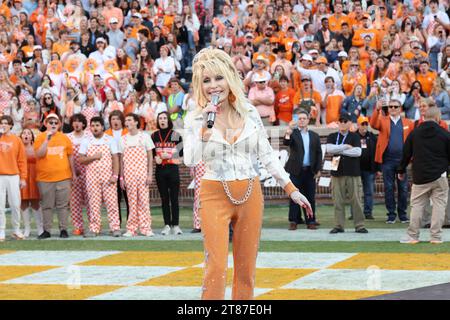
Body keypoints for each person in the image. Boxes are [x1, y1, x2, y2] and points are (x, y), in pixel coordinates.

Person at [184, 48, 312, 300]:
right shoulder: (196, 117)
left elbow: (266, 156)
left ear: (230, 77)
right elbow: (190, 158)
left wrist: (292, 190)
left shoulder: (250, 112)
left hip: (251, 194)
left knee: (246, 268)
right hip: (213, 193)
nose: (213, 86)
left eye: (218, 78)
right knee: (216, 267)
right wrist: (203, 132)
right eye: (206, 80)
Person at [397, 107, 450, 244]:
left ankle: (413, 236)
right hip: (440, 175)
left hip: (420, 176)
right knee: (439, 206)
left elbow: (406, 153)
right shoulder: (444, 134)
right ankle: (436, 237)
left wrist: (401, 170)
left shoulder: (415, 133)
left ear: (424, 117)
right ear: (438, 117)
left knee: (417, 206)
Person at [370, 99, 414, 224]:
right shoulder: (383, 120)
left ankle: (403, 214)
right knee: (389, 188)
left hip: (402, 161)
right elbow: (373, 124)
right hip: (387, 160)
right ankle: (391, 214)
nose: (393, 108)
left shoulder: (408, 123)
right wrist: (377, 109)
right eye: (391, 106)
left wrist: (411, 157)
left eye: (396, 106)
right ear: (388, 108)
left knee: (403, 188)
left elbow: (411, 141)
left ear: (400, 108)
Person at [326, 112, 368, 234]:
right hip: (336, 171)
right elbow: (329, 149)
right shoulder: (332, 136)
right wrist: (345, 146)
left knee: (356, 200)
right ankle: (339, 225)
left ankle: (359, 225)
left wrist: (339, 149)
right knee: (337, 200)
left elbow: (358, 152)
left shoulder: (354, 136)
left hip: (353, 172)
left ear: (350, 123)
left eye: (345, 121)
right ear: (338, 123)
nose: (343, 123)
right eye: (341, 121)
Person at [34, 114, 75, 239]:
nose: (53, 124)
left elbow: (70, 156)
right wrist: (47, 139)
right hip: (45, 178)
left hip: (63, 177)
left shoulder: (65, 138)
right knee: (47, 205)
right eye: (50, 122)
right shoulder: (40, 137)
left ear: (59, 124)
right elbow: (39, 154)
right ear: (45, 124)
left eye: (55, 122)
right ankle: (47, 230)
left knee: (63, 205)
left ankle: (63, 229)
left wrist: (73, 173)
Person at [79, 117, 121, 238]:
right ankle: (94, 228)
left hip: (108, 176)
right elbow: (81, 159)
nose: (95, 128)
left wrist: (115, 175)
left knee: (112, 203)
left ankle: (115, 228)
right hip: (92, 177)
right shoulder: (86, 141)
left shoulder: (110, 140)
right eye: (92, 126)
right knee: (93, 204)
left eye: (97, 125)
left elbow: (115, 158)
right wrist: (94, 157)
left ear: (102, 126)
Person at [284, 109, 322, 230]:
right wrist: (288, 132)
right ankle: (294, 220)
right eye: (299, 118)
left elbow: (318, 153)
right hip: (296, 171)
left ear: (308, 120)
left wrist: (318, 169)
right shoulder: (293, 133)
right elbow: (286, 142)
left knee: (310, 197)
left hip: (309, 171)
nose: (301, 120)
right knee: (294, 196)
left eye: (303, 118)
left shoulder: (314, 136)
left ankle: (310, 220)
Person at [119, 113, 155, 237]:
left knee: (144, 202)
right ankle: (131, 229)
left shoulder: (145, 137)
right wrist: (121, 177)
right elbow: (121, 160)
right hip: (129, 175)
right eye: (126, 120)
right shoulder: (123, 139)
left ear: (136, 122)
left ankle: (146, 228)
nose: (127, 122)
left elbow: (150, 157)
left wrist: (150, 174)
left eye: (129, 120)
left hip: (142, 174)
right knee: (132, 202)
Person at [151, 112, 183, 236]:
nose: (162, 120)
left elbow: (181, 153)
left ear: (168, 120)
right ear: (158, 121)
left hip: (173, 168)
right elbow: (152, 152)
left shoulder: (175, 135)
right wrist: (155, 158)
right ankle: (166, 225)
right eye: (160, 118)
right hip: (160, 170)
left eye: (164, 118)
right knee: (164, 199)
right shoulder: (154, 135)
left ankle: (176, 225)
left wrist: (168, 155)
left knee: (174, 198)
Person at [0, 115, 27, 241]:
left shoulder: (17, 140)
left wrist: (23, 178)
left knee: (15, 204)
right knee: (0, 205)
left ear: (11, 125)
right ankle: (1, 230)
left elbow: (22, 160)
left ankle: (16, 230)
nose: (3, 125)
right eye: (2, 123)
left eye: (6, 123)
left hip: (13, 176)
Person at [66, 114, 91, 236]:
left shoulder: (89, 136)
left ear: (83, 124)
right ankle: (78, 226)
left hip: (89, 172)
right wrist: (72, 171)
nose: (76, 124)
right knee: (75, 202)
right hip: (73, 172)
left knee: (91, 200)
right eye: (74, 121)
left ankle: (94, 225)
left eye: (79, 121)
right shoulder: (67, 137)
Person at [105, 110, 129, 224]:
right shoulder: (106, 134)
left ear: (122, 121)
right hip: (112, 169)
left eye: (118, 119)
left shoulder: (127, 133)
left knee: (129, 198)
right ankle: (116, 223)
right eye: (113, 119)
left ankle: (131, 222)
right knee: (114, 199)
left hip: (127, 168)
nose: (115, 121)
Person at [20, 128, 43, 238]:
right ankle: (27, 228)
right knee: (23, 202)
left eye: (28, 133)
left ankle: (40, 228)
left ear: (32, 137)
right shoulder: (18, 149)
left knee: (35, 202)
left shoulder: (36, 148)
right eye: (24, 133)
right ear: (21, 136)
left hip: (34, 177)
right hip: (22, 177)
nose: (26, 135)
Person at [355, 116, 378, 220]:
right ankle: (356, 213)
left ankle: (368, 213)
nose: (364, 126)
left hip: (369, 169)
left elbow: (377, 152)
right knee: (355, 192)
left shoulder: (372, 136)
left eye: (365, 124)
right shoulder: (353, 136)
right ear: (358, 125)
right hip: (356, 170)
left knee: (369, 192)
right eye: (362, 124)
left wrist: (378, 168)